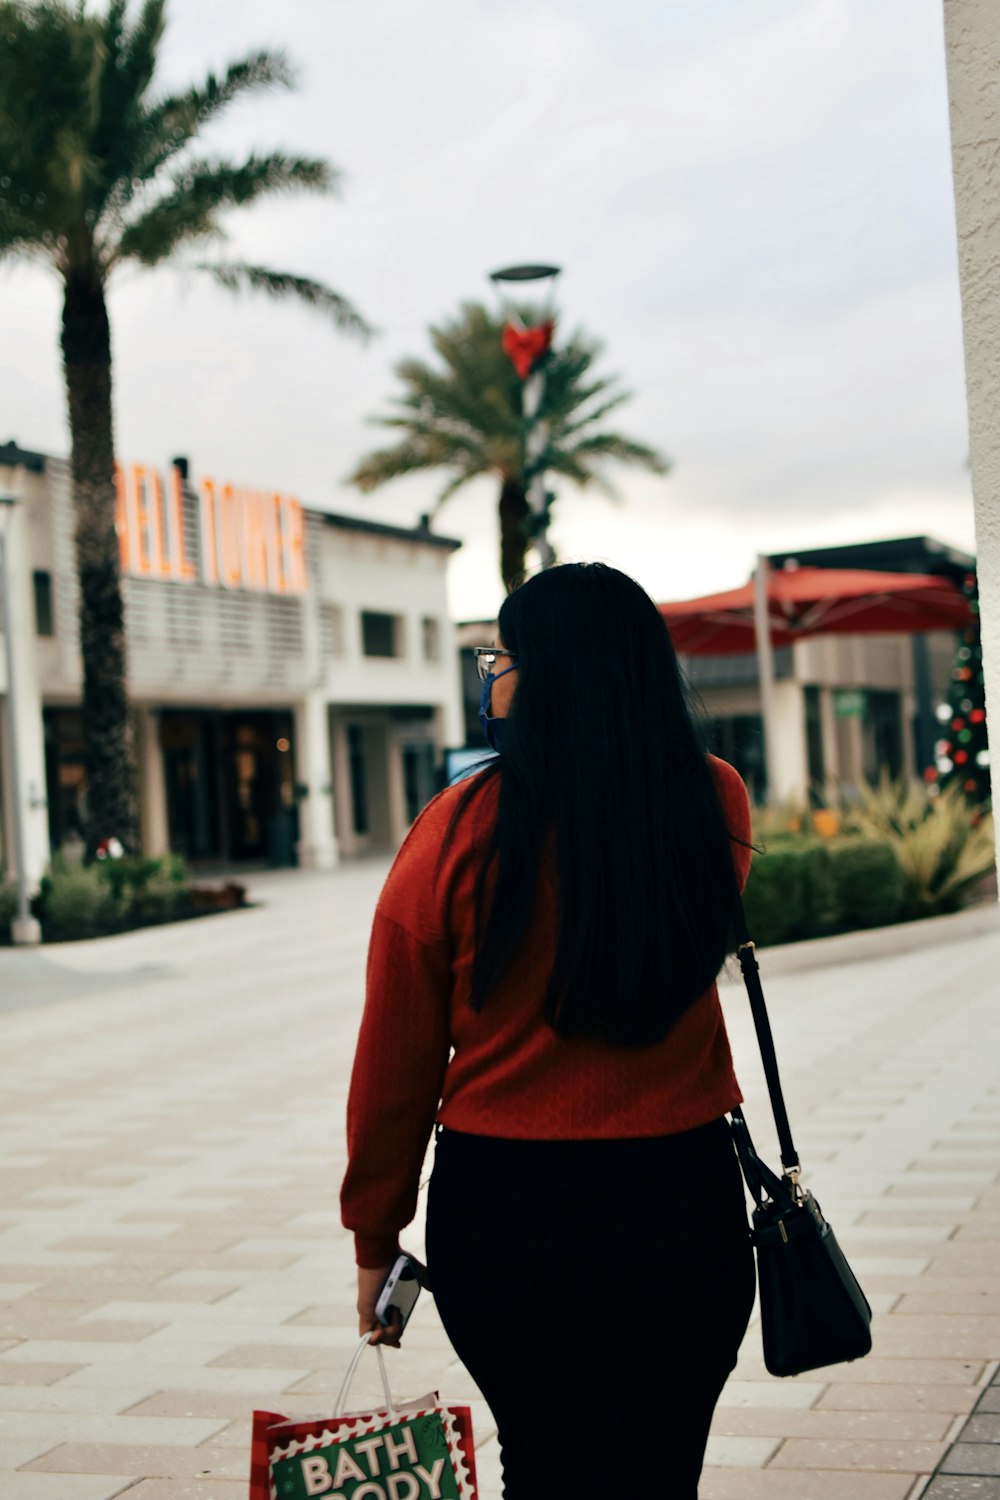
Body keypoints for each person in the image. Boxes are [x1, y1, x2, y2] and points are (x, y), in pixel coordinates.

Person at [341, 562, 755, 1499]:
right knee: (659, 1471)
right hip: (681, 1201)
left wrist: (376, 1235)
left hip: (512, 1214)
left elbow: (395, 1062)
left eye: (505, 656)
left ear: (543, 673)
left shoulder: (456, 829)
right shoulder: (712, 800)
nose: (496, 674)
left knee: (545, 1461)